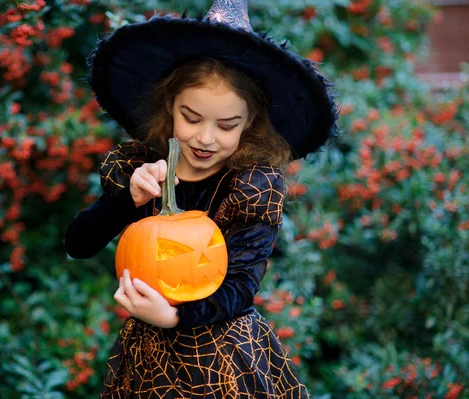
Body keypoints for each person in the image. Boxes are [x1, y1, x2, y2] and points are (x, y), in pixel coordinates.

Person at [65, 0, 340, 397]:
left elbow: (240, 286)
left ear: (250, 123)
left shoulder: (250, 186)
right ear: (170, 108)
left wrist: (175, 316)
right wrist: (128, 199)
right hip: (148, 359)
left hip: (223, 359)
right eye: (192, 118)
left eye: (227, 125)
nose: (206, 138)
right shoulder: (145, 166)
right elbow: (78, 243)